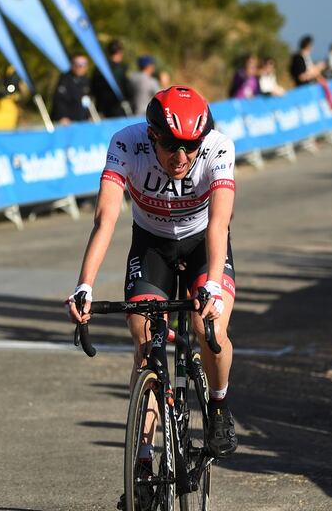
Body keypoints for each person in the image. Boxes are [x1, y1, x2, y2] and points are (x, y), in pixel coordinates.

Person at [67, 86, 239, 467]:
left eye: (190, 147)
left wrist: (211, 283)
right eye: (171, 146)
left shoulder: (218, 147)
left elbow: (219, 224)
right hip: (151, 245)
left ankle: (220, 406)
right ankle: (143, 459)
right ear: (152, 136)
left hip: (201, 245)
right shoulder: (127, 144)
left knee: (208, 326)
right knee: (145, 342)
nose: (181, 157)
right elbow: (105, 219)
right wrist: (85, 285)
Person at [90, 39, 133, 118]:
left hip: (101, 108)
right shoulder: (122, 68)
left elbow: (92, 88)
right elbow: (127, 88)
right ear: (120, 52)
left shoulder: (99, 68)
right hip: (119, 107)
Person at [49, 54, 92, 124]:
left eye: (83, 64)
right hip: (67, 122)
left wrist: (89, 116)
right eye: (77, 64)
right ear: (72, 65)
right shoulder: (65, 79)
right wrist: (62, 116)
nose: (80, 67)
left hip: (82, 122)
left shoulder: (86, 80)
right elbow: (59, 100)